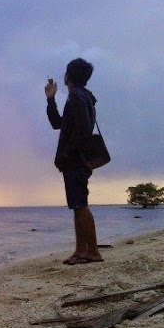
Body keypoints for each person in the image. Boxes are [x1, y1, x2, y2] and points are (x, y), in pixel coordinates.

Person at [45, 58, 103, 265]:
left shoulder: (77, 97)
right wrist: (51, 100)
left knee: (80, 205)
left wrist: (68, 153)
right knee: (77, 206)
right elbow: (58, 124)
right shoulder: (81, 96)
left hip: (76, 161)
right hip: (76, 160)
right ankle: (80, 250)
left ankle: (93, 252)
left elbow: (82, 130)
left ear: (68, 75)